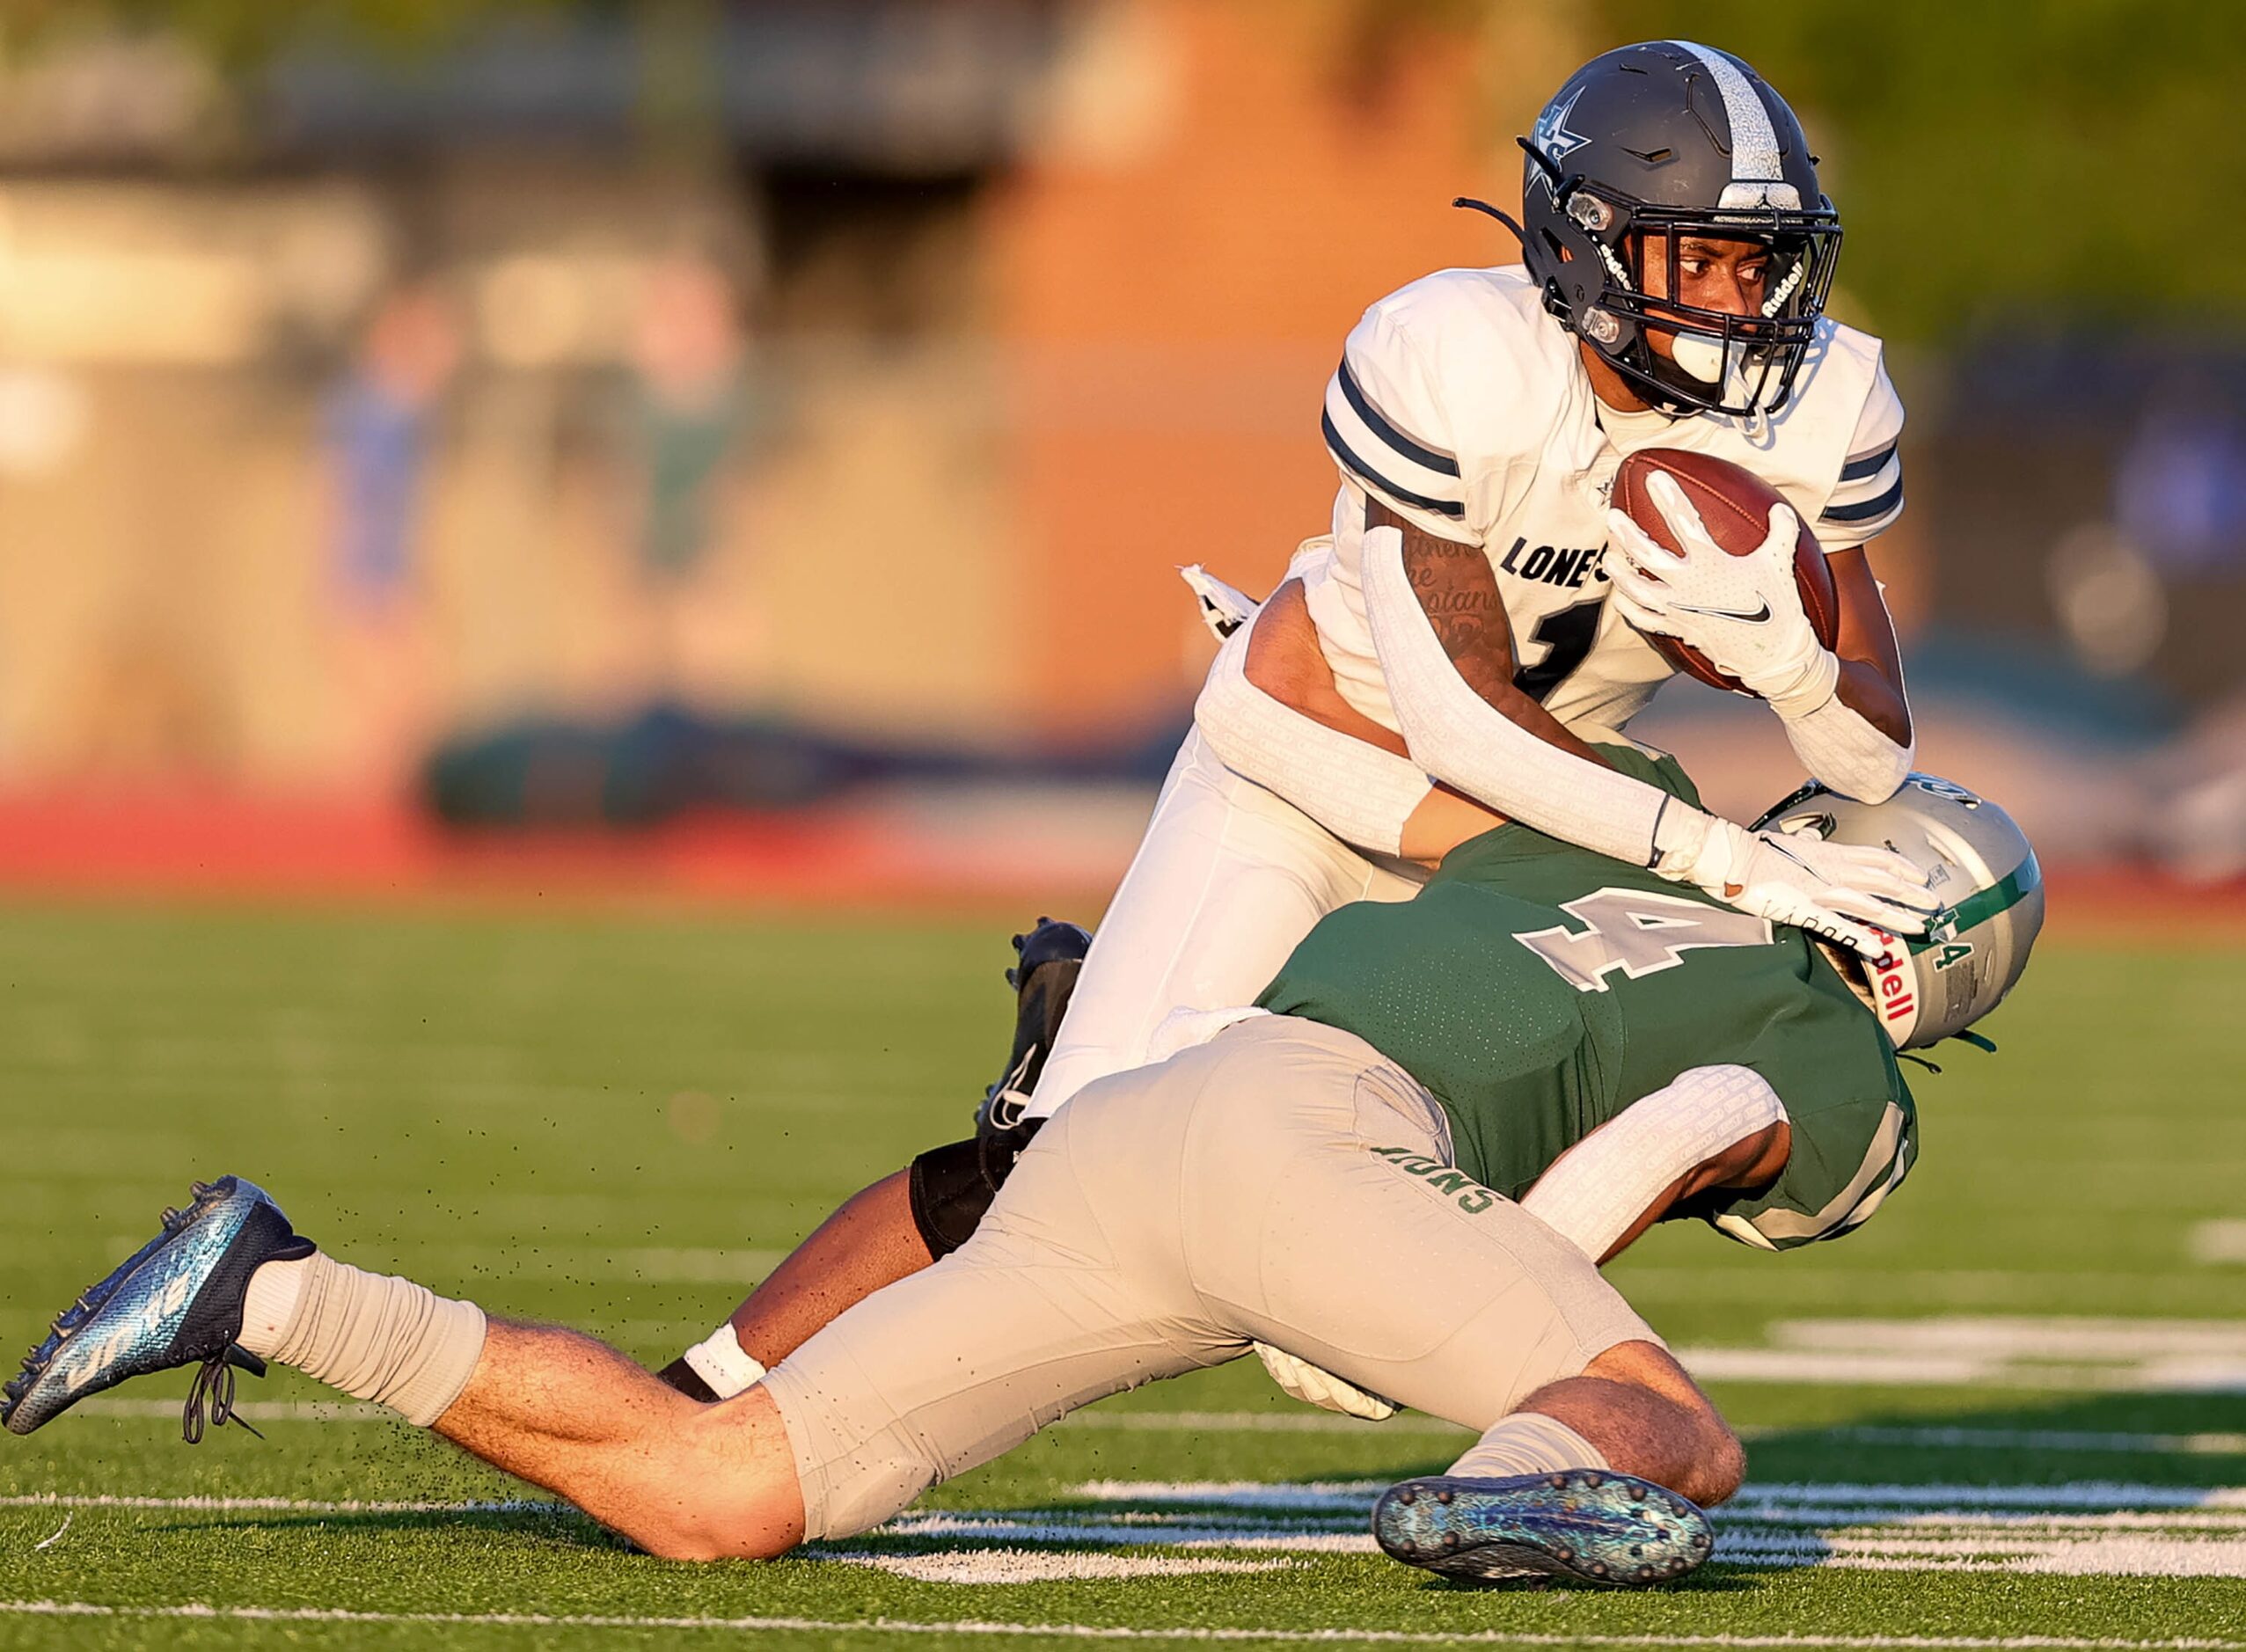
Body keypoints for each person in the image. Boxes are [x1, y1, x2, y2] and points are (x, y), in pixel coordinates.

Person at [657, 40, 1942, 1405]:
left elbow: (1871, 751)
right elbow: (1458, 721)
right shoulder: (1455, 356)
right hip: (1318, 765)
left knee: (1346, 1200)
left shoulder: (1817, 401)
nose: (1750, 304)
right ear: (1592, 244)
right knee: (1053, 1178)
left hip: (1537, 825)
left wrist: (1795, 670)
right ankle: (701, 1395)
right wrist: (1721, 857)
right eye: (1706, 259)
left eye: (1765, 263)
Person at [3, 767, 2039, 1590]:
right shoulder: (1834, 1047)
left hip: (1156, 1115)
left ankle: (270, 1293)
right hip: (1316, 1154)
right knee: (1669, 1435)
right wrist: (1537, 1358)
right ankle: (1496, 1497)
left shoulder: (1604, 825)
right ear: (1937, 961)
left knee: (718, 1504)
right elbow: (1684, 1135)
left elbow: (1357, 825)